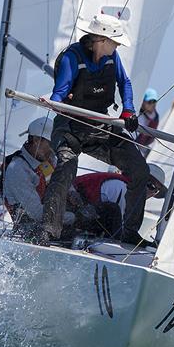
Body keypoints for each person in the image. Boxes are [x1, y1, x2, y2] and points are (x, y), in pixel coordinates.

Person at [42, 14, 150, 244]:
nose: (118, 45)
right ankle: (49, 231)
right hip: (70, 128)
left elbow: (125, 83)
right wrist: (54, 102)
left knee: (139, 169)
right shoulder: (73, 58)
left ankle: (129, 233)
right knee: (65, 171)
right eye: (115, 41)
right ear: (101, 39)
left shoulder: (112, 58)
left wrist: (128, 111)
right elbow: (59, 93)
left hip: (99, 127)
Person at [1, 117, 66, 237]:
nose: (53, 150)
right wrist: (73, 216)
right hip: (31, 231)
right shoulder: (18, 169)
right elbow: (37, 214)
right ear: (36, 140)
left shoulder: (50, 160)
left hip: (54, 220)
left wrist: (73, 195)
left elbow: (64, 184)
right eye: (51, 144)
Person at [72, 163, 167, 242]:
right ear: (139, 179)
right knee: (113, 210)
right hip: (72, 212)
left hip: (83, 216)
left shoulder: (126, 189)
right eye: (151, 186)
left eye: (156, 191)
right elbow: (120, 229)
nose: (151, 193)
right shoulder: (122, 188)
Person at [135, 88, 160, 157]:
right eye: (149, 102)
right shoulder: (139, 116)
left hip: (147, 146)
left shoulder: (155, 115)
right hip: (136, 146)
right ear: (143, 102)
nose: (152, 104)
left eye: (154, 101)